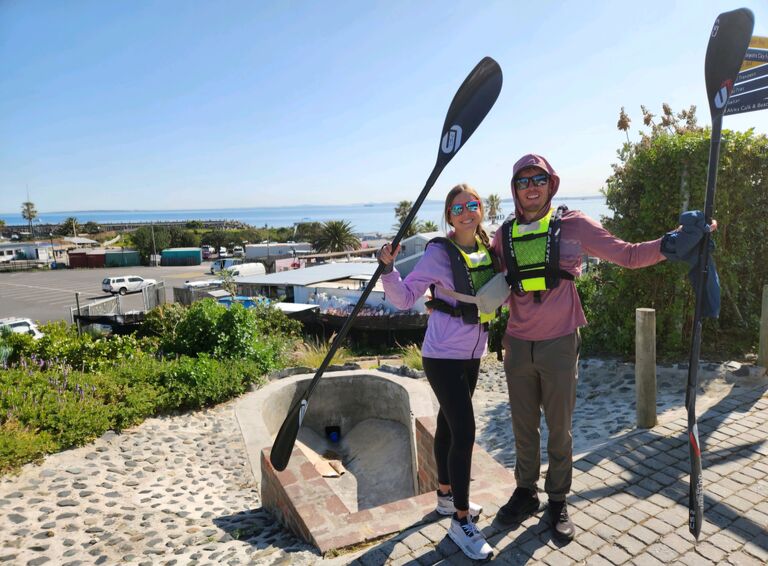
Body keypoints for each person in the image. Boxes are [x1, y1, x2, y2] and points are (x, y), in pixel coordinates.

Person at [491, 153, 713, 542]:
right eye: (523, 181)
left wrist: (673, 242)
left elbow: (626, 254)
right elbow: (487, 282)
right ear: (514, 188)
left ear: (551, 183)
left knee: (559, 429)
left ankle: (557, 499)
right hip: (517, 343)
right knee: (523, 427)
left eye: (538, 179)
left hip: (559, 341)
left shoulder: (573, 225)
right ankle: (525, 493)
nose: (531, 187)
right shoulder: (502, 234)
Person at [378, 184, 498, 561]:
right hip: (442, 355)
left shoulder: (487, 249)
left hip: (474, 353)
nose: (466, 212)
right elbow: (403, 298)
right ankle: (461, 523)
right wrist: (388, 269)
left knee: (448, 425)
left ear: (481, 210)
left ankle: (446, 497)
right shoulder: (437, 253)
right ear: (448, 215)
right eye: (458, 207)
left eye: (472, 205)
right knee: (465, 432)